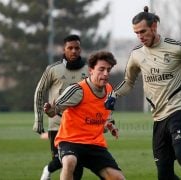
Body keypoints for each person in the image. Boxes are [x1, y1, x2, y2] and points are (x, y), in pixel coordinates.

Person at [105, 6, 181, 180]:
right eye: (136, 33)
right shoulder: (137, 54)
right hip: (158, 118)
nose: (140, 36)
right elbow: (128, 82)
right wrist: (114, 94)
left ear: (154, 27)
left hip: (180, 110)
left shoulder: (175, 48)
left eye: (143, 31)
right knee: (164, 174)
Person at [44, 50, 125, 180]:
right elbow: (54, 110)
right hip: (70, 141)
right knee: (69, 161)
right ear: (91, 70)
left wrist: (110, 125)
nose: (105, 74)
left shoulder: (110, 91)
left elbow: (107, 114)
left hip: (95, 144)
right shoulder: (77, 90)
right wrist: (49, 109)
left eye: (108, 70)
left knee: (118, 178)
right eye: (101, 69)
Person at [33, 34, 87, 180]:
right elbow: (39, 92)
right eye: (70, 48)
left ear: (80, 49)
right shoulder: (53, 69)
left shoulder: (90, 70)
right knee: (62, 161)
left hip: (80, 126)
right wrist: (38, 120)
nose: (74, 51)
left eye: (77, 48)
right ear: (64, 49)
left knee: (77, 166)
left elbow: (100, 96)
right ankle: (48, 169)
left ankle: (49, 169)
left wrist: (106, 121)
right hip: (57, 125)